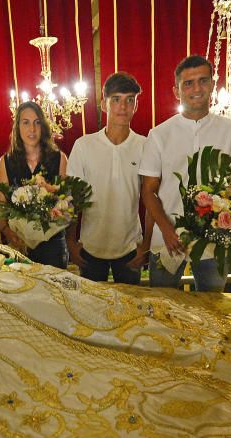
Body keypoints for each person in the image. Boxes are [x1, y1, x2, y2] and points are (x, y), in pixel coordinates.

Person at [139, 55, 231, 291]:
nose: (196, 88)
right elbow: (148, 192)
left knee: (213, 308)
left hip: (215, 238)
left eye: (202, 81)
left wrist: (222, 224)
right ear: (177, 91)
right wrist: (167, 230)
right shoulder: (159, 134)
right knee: (162, 307)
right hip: (168, 238)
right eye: (188, 83)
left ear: (212, 85)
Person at [65, 72, 146, 285]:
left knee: (132, 312)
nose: (123, 106)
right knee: (91, 311)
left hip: (129, 247)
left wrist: (145, 244)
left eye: (130, 100)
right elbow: (72, 199)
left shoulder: (145, 146)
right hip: (90, 247)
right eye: (116, 99)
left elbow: (152, 197)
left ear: (136, 106)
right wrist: (71, 242)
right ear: (104, 104)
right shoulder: (84, 146)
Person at [0, 100, 69, 268]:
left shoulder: (59, 158)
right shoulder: (6, 162)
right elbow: (1, 203)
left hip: (53, 244)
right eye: (26, 122)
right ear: (17, 127)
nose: (32, 129)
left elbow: (67, 202)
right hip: (20, 244)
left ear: (43, 126)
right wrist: (6, 231)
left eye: (37, 123)